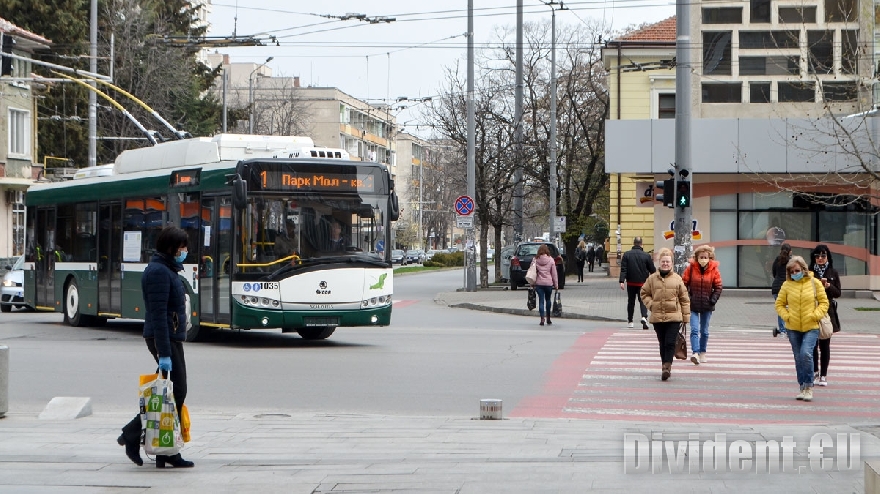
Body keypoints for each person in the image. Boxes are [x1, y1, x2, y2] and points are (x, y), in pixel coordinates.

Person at [117, 226, 194, 468]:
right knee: (175, 392)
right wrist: (164, 353)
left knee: (170, 394)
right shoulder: (159, 272)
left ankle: (164, 450)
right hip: (164, 337)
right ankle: (135, 436)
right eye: (182, 247)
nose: (185, 251)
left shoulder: (167, 269)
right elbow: (159, 315)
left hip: (170, 337)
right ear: (171, 247)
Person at [775, 255, 828, 402]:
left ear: (803, 269)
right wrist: (787, 316)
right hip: (793, 327)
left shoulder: (814, 283)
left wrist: (815, 315)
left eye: (797, 270)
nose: (794, 274)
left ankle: (809, 386)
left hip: (811, 326)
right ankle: (802, 387)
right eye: (791, 272)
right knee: (798, 358)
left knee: (806, 354)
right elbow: (779, 304)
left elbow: (824, 302)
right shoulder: (787, 285)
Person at [640, 248, 691, 381]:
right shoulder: (652, 279)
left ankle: (667, 367)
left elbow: (684, 299)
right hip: (658, 317)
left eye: (668, 262)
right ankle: (664, 364)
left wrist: (686, 317)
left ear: (671, 263)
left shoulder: (677, 279)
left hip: (674, 317)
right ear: (659, 263)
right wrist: (651, 305)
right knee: (662, 342)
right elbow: (644, 293)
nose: (665, 264)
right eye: (663, 261)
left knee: (669, 342)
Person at [682, 244, 723, 365]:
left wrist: (712, 300)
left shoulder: (714, 270)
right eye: (701, 257)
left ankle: (702, 352)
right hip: (693, 304)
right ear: (697, 257)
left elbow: (718, 287)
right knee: (694, 329)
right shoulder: (690, 269)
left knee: (704, 331)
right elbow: (683, 284)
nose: (703, 259)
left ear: (710, 258)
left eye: (706, 257)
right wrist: (688, 298)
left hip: (707, 305)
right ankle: (695, 352)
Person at [810, 244, 841, 387]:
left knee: (825, 344)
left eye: (823, 256)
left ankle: (823, 375)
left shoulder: (833, 272)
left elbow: (838, 293)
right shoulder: (809, 272)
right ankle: (815, 372)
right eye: (817, 256)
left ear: (827, 257)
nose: (820, 259)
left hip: (828, 312)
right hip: (812, 310)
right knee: (812, 344)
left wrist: (829, 286)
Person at [619, 237, 656, 329]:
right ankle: (644, 317)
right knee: (643, 301)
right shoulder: (646, 255)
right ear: (641, 244)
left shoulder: (627, 255)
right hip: (642, 283)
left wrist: (621, 281)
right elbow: (652, 270)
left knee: (631, 302)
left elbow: (624, 269)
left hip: (631, 282)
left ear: (633, 243)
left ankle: (630, 321)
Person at [531, 244, 559, 326]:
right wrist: (556, 284)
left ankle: (542, 319)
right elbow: (554, 274)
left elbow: (532, 272)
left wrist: (532, 283)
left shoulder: (535, 260)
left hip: (539, 284)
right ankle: (548, 318)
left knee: (541, 301)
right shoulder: (551, 260)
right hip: (548, 283)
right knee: (548, 300)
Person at [771, 243, 792, 337]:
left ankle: (782, 330)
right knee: (790, 308)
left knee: (781, 309)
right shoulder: (791, 262)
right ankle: (789, 329)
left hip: (776, 287)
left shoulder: (777, 260)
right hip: (787, 288)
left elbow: (774, 272)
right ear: (790, 252)